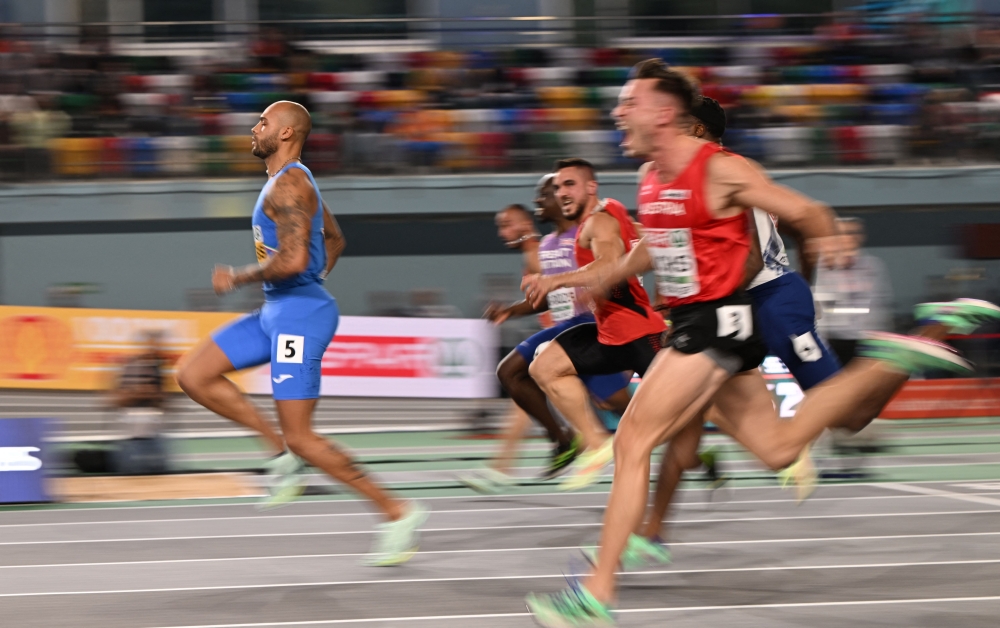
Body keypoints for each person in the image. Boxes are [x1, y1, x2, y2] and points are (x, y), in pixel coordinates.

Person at [525, 59, 993, 626]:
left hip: (721, 321)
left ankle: (597, 592)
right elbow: (658, 246)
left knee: (631, 444)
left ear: (666, 113)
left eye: (629, 102)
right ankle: (889, 358)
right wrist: (606, 273)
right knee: (778, 449)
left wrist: (828, 244)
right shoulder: (652, 179)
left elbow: (806, 211)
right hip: (705, 323)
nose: (618, 111)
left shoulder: (720, 170)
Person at [176, 100, 427, 567]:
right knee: (193, 375)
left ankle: (398, 512)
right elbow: (334, 239)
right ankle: (281, 459)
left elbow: (292, 260)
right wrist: (307, 281)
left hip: (298, 318)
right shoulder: (290, 181)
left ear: (287, 133)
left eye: (263, 122)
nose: (254, 128)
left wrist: (238, 275)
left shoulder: (289, 183)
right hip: (280, 309)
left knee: (304, 438)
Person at [461, 178, 633, 493]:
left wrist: (600, 294)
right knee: (618, 404)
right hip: (564, 336)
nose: (541, 199)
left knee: (620, 405)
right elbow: (542, 299)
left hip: (587, 328)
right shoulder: (547, 245)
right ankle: (567, 442)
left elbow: (614, 264)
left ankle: (574, 443)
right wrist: (511, 310)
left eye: (546, 194)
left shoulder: (584, 233)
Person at [522, 159, 667, 491]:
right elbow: (643, 241)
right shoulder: (612, 213)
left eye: (569, 184)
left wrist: (553, 281)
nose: (561, 193)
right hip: (609, 334)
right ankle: (597, 443)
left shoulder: (598, 220)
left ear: (591, 187)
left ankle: (778, 443)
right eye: (557, 187)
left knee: (694, 414)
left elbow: (609, 265)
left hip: (641, 333)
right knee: (544, 366)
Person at [814, 217, 895, 366]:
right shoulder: (822, 266)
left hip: (867, 342)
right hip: (832, 343)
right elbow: (820, 308)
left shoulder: (873, 266)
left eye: (853, 232)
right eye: (842, 233)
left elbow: (880, 305)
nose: (848, 237)